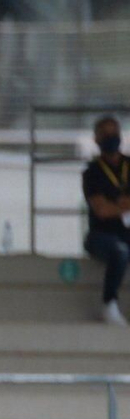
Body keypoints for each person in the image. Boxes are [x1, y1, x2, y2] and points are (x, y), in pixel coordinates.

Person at [83, 114, 130, 327]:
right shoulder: (92, 172)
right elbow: (101, 210)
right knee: (120, 250)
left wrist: (118, 205)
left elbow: (110, 206)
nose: (111, 138)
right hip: (101, 234)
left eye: (115, 134)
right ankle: (109, 303)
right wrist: (123, 206)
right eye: (106, 134)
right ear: (97, 139)